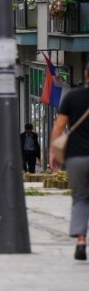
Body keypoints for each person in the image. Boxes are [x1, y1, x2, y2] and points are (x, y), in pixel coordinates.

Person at [49, 61, 89, 261]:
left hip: (77, 157)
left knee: (80, 198)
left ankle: (81, 240)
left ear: (85, 75)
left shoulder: (72, 97)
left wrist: (53, 152)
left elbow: (59, 127)